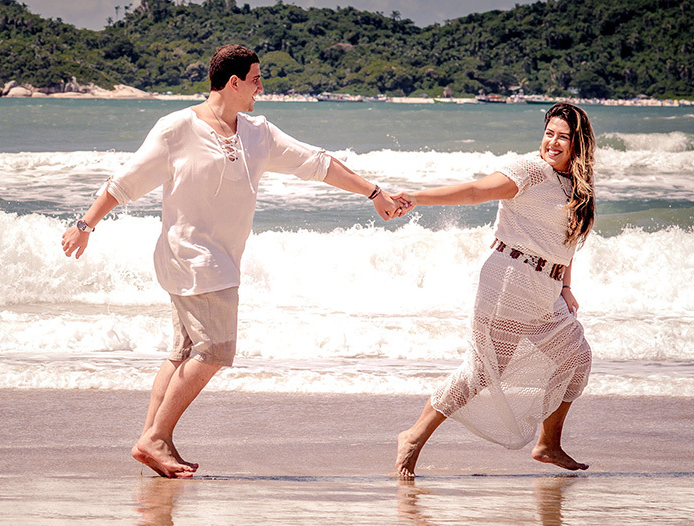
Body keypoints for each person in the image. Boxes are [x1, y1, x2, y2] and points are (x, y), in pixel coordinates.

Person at [61, 44, 401, 478]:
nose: (262, 86)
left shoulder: (258, 133)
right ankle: (155, 437)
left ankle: (152, 438)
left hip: (220, 258)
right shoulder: (176, 129)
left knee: (184, 351)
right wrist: (85, 225)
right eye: (257, 78)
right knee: (217, 350)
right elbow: (126, 182)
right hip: (191, 257)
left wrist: (374, 193)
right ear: (234, 82)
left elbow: (317, 163)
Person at [392, 102, 596, 478]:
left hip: (545, 290)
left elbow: (565, 240)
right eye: (548, 133)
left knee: (576, 359)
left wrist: (565, 285)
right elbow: (474, 192)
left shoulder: (575, 185)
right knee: (482, 372)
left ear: (578, 144)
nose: (552, 143)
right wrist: (417, 197)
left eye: (562, 137)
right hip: (509, 281)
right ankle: (414, 437)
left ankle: (548, 444)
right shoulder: (530, 170)